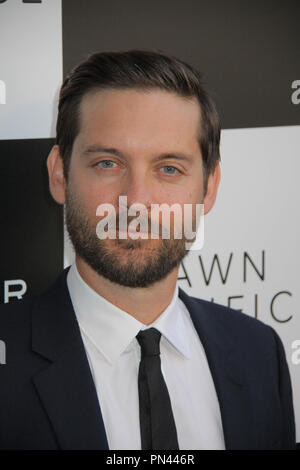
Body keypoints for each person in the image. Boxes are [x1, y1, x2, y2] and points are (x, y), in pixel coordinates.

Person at [0, 50, 296, 450]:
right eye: (108, 163)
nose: (136, 201)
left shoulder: (259, 353)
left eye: (169, 168)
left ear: (208, 188)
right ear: (59, 174)